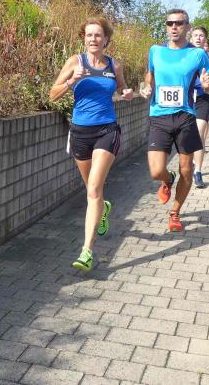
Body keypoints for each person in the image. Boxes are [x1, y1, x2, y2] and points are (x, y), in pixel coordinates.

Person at [49, 16, 133, 271]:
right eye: (89, 35)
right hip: (80, 132)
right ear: (83, 38)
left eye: (98, 35)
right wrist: (71, 81)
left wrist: (127, 93)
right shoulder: (75, 62)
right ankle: (103, 208)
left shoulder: (114, 64)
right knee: (92, 191)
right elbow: (52, 95)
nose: (93, 39)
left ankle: (87, 251)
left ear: (106, 39)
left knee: (94, 189)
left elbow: (122, 88)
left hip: (107, 130)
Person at [140, 9, 209, 232]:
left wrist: (208, 84)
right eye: (170, 23)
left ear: (187, 26)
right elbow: (150, 74)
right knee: (156, 171)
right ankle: (167, 179)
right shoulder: (155, 51)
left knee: (187, 170)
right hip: (159, 115)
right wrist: (147, 86)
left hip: (186, 116)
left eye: (179, 23)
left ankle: (175, 212)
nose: (174, 27)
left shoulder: (198, 54)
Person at [189, 27, 209, 188]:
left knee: (199, 134)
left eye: (201, 36)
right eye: (196, 35)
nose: (198, 38)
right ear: (190, 38)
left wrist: (208, 84)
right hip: (185, 99)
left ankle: (198, 171)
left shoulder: (208, 57)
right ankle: (190, 162)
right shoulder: (183, 54)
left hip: (202, 97)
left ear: (205, 39)